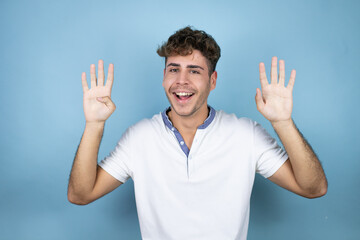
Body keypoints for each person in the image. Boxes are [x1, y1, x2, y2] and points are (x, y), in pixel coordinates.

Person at [67, 27, 327, 240]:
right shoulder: (139, 137)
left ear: (213, 81)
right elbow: (80, 195)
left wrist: (283, 122)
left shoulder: (245, 134)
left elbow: (313, 188)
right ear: (164, 77)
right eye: (174, 69)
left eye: (194, 71)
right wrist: (94, 125)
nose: (182, 81)